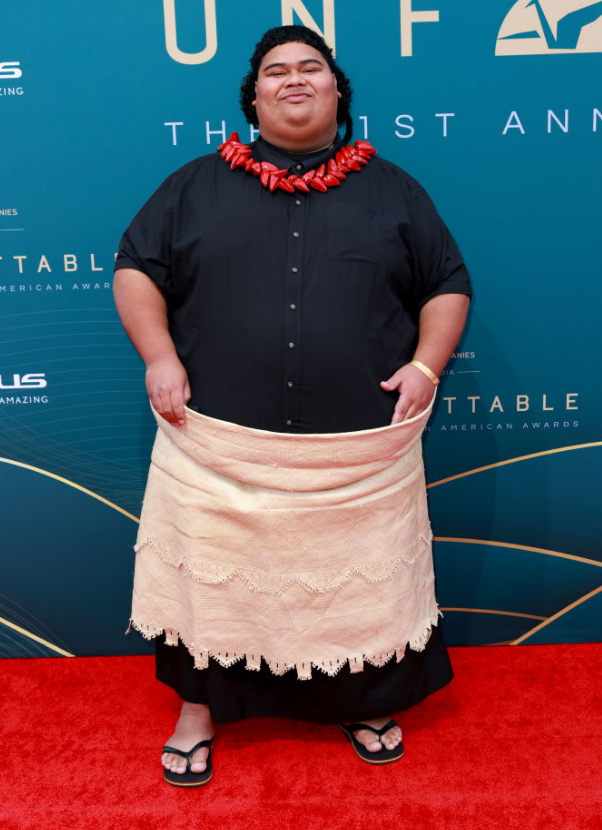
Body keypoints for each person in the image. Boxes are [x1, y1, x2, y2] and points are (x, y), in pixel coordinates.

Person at [113, 25, 471, 786]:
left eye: (313, 68)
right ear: (254, 99)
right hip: (217, 447)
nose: (295, 79)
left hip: (359, 454)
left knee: (362, 583)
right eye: (277, 71)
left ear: (339, 93)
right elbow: (136, 269)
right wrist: (160, 356)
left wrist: (425, 368)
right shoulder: (191, 186)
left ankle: (364, 698)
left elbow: (446, 284)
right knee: (209, 584)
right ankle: (198, 711)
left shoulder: (395, 189)